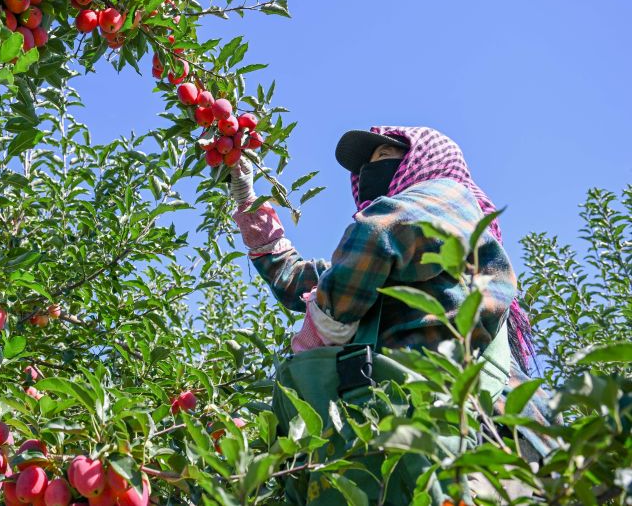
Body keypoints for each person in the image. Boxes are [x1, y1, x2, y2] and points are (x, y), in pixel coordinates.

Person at [228, 126, 553, 504]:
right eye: (365, 165)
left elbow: (379, 229)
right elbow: (301, 281)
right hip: (440, 433)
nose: (368, 171)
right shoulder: (391, 258)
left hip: (451, 431)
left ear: (424, 159)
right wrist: (248, 198)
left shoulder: (445, 194)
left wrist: (326, 321)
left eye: (382, 157)